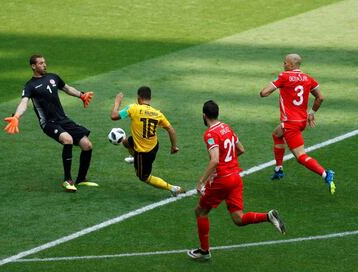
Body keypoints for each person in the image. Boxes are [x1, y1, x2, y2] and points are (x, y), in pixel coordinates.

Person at [187, 100, 285, 260]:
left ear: (204, 116)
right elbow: (241, 149)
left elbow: (215, 160)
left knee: (200, 211)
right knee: (238, 219)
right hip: (236, 177)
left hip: (222, 179)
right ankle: (268, 216)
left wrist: (201, 182)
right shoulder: (227, 127)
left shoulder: (210, 133)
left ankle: (204, 251)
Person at [3, 54, 98, 192]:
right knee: (68, 139)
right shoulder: (30, 86)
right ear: (33, 66)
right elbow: (24, 102)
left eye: (44, 62)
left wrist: (81, 95)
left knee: (87, 145)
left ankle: (81, 179)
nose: (44, 65)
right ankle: (67, 180)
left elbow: (67, 88)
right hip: (48, 123)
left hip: (62, 119)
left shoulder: (53, 77)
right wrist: (16, 116)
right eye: (41, 63)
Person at [259, 54, 336, 194]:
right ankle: (279, 169)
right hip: (301, 121)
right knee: (277, 134)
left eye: (286, 63)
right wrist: (312, 113)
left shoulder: (284, 76)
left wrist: (274, 85)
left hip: (290, 123)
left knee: (301, 156)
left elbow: (264, 93)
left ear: (292, 65)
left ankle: (326, 173)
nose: (283, 64)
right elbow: (320, 97)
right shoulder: (308, 78)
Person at [110, 86, 184, 197]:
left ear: (138, 98)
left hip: (144, 152)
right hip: (153, 145)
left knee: (143, 176)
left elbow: (114, 116)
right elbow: (171, 129)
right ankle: (134, 158)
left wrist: (117, 102)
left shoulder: (133, 108)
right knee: (126, 142)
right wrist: (174, 146)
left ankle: (173, 188)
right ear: (150, 98)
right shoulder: (157, 113)